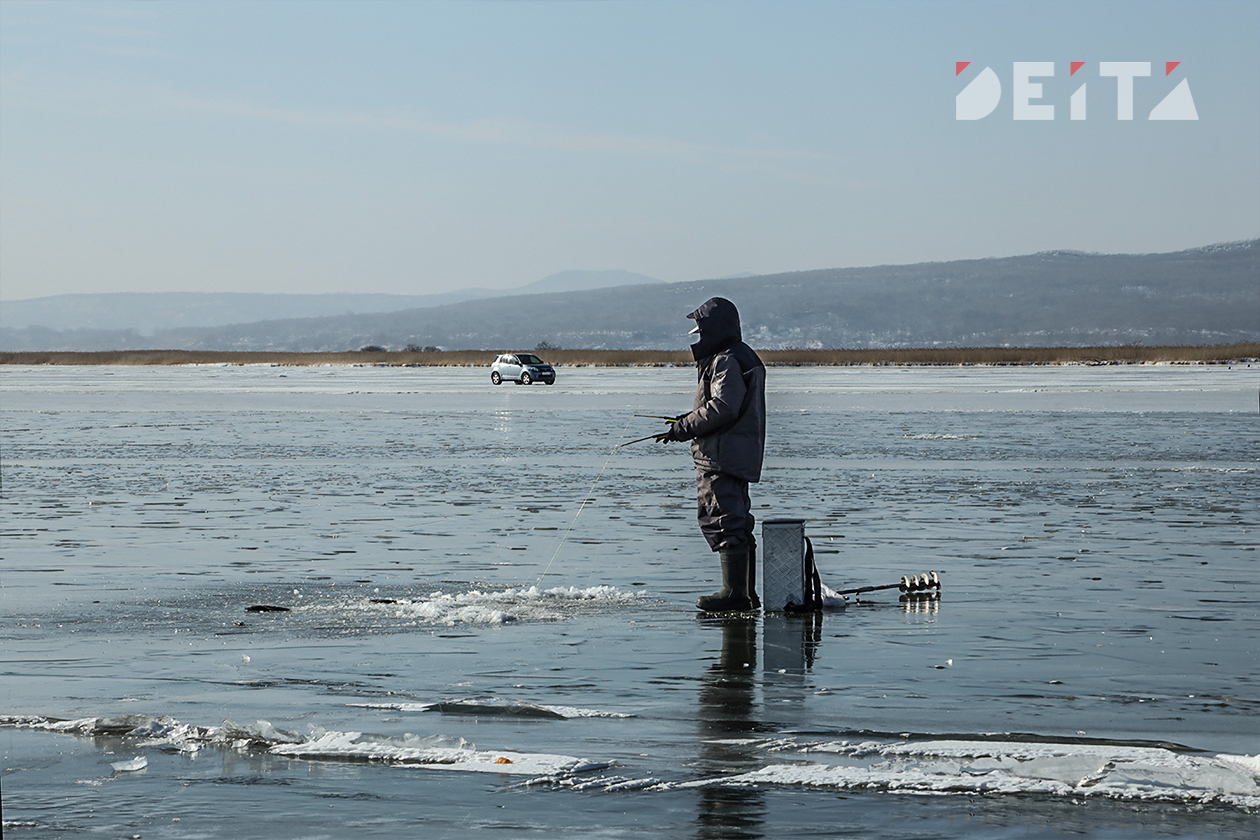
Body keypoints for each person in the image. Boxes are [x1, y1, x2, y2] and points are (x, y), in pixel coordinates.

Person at [656, 297, 766, 612]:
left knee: (724, 519)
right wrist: (683, 423)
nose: (699, 338)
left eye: (702, 330)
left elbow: (724, 407)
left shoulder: (726, 360)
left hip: (721, 455)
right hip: (736, 453)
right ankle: (746, 593)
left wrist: (684, 427)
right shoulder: (743, 356)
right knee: (738, 520)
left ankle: (735, 593)